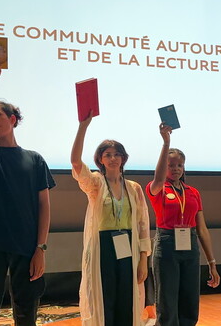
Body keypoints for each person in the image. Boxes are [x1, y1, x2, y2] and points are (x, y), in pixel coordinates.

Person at [0, 65, 55, 326]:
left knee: (26, 312)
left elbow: (44, 206)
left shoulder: (34, 159)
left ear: (13, 119)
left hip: (27, 246)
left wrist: (40, 248)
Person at [71, 112, 151, 326]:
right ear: (100, 159)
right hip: (103, 248)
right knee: (105, 299)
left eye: (117, 154)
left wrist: (143, 259)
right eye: (107, 154)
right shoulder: (96, 184)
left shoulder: (134, 188)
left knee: (127, 298)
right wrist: (83, 127)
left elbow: (143, 225)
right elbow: (76, 163)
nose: (113, 158)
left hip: (129, 246)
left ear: (123, 158)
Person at [146, 123, 220, 326]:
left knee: (189, 302)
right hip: (167, 244)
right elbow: (158, 180)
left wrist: (212, 263)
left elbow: (202, 229)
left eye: (179, 165)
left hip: (190, 244)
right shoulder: (157, 188)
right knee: (168, 301)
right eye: (171, 165)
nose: (175, 169)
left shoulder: (193, 192)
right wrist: (166, 142)